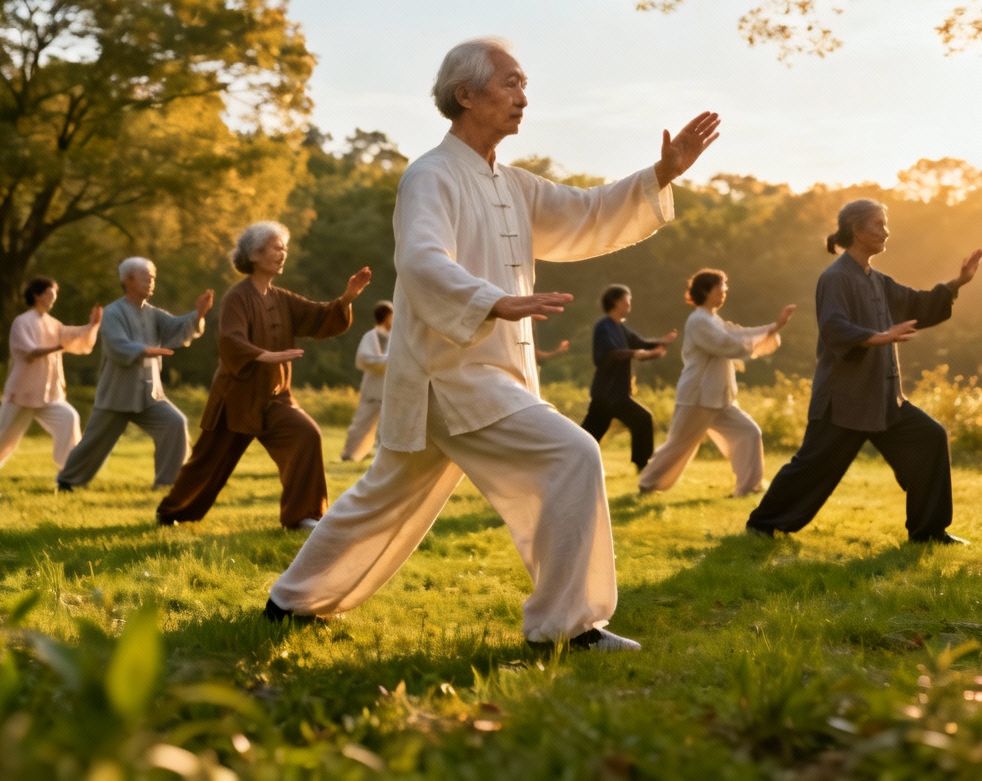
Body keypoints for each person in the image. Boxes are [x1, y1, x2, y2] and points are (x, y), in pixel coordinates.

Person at [264, 36, 720, 652]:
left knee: (384, 496)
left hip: (481, 373)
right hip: (454, 373)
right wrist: (490, 301)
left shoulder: (515, 184)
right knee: (573, 454)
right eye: (511, 83)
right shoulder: (430, 175)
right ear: (466, 94)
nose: (523, 97)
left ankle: (288, 602)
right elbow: (421, 260)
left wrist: (662, 174)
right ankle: (567, 627)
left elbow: (586, 212)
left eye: (524, 85)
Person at [747, 200, 982, 544]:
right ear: (857, 230)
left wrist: (958, 282)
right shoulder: (835, 278)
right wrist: (878, 337)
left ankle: (929, 532)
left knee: (929, 438)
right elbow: (833, 327)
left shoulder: (879, 281)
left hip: (884, 399)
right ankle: (762, 524)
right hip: (844, 400)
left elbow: (918, 304)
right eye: (878, 224)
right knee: (812, 467)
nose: (886, 231)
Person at [157, 223, 371, 527]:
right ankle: (171, 513)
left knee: (306, 435)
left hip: (275, 399)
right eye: (276, 248)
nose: (283, 254)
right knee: (208, 462)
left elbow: (318, 316)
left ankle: (303, 516)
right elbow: (230, 339)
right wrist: (263, 355)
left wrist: (347, 298)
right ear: (255, 254)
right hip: (237, 399)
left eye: (284, 248)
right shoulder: (237, 297)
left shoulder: (282, 298)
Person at [56, 258, 213, 491]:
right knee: (94, 443)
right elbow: (116, 345)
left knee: (175, 423)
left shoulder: (153, 313)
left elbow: (177, 328)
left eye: (153, 278)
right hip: (118, 393)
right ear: (128, 281)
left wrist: (198, 314)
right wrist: (145, 350)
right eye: (146, 278)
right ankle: (67, 480)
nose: (151, 282)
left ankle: (167, 483)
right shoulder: (112, 313)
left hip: (150, 394)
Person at [637, 269, 794, 496]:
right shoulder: (698, 321)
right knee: (679, 444)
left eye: (724, 290)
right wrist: (772, 328)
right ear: (705, 291)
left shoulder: (712, 319)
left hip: (719, 397)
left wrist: (775, 327)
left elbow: (738, 335)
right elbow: (727, 344)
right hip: (697, 396)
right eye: (719, 290)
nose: (723, 295)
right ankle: (647, 484)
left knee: (749, 432)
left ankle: (749, 487)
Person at [0, 278, 102, 477]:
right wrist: (59, 346)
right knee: (4, 433)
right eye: (48, 293)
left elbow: (73, 336)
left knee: (69, 418)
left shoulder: (53, 324)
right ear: (36, 295)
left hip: (49, 394)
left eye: (53, 294)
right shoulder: (22, 322)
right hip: (23, 391)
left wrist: (92, 325)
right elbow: (29, 352)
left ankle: (70, 468)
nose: (52, 298)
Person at [580, 285, 677, 471]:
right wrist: (638, 353)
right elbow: (612, 353)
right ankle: (642, 465)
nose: (629, 303)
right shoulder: (603, 327)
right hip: (608, 394)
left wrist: (661, 343)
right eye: (627, 300)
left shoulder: (620, 328)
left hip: (615, 395)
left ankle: (641, 464)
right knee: (641, 419)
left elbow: (641, 343)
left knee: (588, 436)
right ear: (616, 302)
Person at [340, 300, 393, 462]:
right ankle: (349, 455)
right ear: (385, 317)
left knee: (388, 427)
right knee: (362, 423)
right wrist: (388, 362)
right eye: (392, 316)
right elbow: (363, 359)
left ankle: (384, 459)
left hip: (390, 389)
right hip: (373, 388)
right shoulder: (371, 336)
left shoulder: (395, 337)